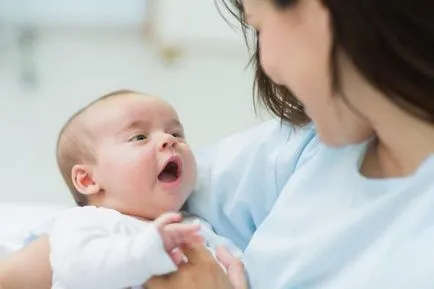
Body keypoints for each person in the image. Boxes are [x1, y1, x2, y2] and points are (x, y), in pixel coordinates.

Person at [1, 0, 434, 288]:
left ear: (319, 13)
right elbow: (77, 239)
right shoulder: (312, 145)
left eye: (260, 27)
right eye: (139, 136)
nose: (268, 64)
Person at [49, 89, 242, 289]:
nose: (169, 139)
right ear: (88, 179)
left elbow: (236, 269)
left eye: (176, 133)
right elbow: (76, 268)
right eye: (139, 137)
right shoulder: (85, 221)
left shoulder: (198, 228)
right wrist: (147, 251)